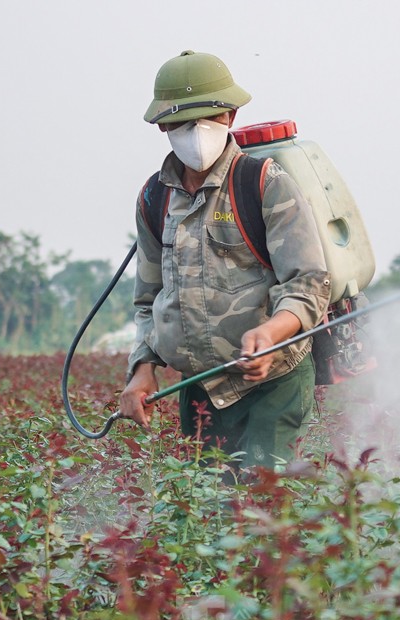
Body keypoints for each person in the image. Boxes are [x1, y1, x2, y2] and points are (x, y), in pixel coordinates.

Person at [119, 50, 330, 476]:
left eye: (209, 118)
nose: (196, 132)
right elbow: (149, 300)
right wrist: (142, 371)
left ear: (230, 116)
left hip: (273, 380)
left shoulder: (263, 183)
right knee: (207, 514)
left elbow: (308, 282)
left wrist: (272, 332)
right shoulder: (154, 199)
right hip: (200, 387)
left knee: (262, 500)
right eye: (181, 123)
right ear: (162, 125)